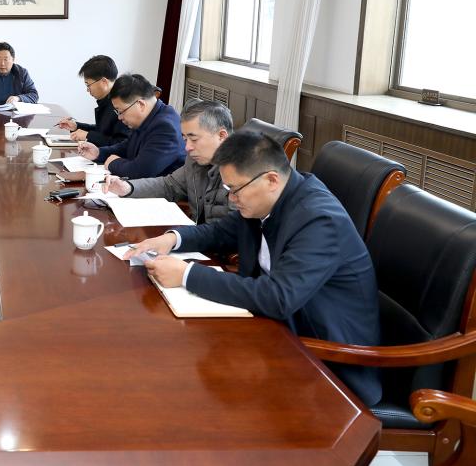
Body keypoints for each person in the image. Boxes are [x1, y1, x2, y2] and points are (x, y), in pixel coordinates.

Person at [129, 131, 381, 406]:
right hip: (275, 331)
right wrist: (172, 239)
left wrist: (187, 275)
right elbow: (221, 231)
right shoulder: (271, 199)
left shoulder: (319, 220)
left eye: (235, 190)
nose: (231, 199)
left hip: (327, 363)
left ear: (271, 180)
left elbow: (279, 297)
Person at [103, 99, 234, 224]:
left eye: (194, 139)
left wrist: (178, 236)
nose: (187, 147)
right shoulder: (194, 160)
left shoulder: (240, 172)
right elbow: (169, 185)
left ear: (221, 136)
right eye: (185, 139)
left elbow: (230, 231)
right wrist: (128, 188)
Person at [77, 74, 183, 179]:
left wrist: (113, 163)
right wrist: (99, 153)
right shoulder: (148, 117)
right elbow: (127, 146)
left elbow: (141, 171)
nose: (119, 117)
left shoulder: (165, 128)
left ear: (140, 105)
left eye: (120, 111)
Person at [55, 55, 130, 146]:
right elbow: (102, 130)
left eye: (88, 85)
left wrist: (88, 135)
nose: (88, 90)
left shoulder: (122, 104)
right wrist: (76, 126)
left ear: (104, 82)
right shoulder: (107, 101)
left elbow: (121, 143)